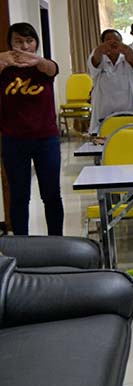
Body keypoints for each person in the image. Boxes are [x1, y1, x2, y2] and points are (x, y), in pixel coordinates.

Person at [0, 22, 63, 235]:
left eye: (29, 41)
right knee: (19, 196)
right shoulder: (5, 70)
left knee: (51, 194)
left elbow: (52, 68)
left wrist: (37, 60)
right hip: (13, 140)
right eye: (18, 41)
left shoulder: (43, 67)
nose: (25, 46)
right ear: (10, 44)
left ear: (36, 43)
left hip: (46, 139)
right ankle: (21, 244)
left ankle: (56, 240)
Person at [88, 29, 133, 134]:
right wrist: (100, 50)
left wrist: (126, 50)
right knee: (103, 138)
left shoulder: (128, 56)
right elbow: (95, 61)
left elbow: (132, 61)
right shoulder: (98, 56)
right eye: (108, 40)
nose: (113, 43)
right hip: (103, 111)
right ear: (102, 43)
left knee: (129, 136)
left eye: (116, 40)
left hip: (127, 110)